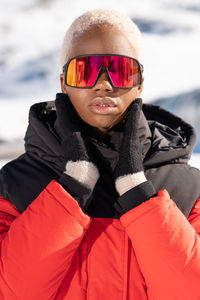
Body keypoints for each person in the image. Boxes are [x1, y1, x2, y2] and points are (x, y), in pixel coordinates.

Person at [0, 8, 200, 300]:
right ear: (63, 83)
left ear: (140, 83)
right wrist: (70, 191)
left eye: (119, 71)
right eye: (84, 71)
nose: (103, 84)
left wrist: (139, 196)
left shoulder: (189, 188)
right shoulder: (15, 184)